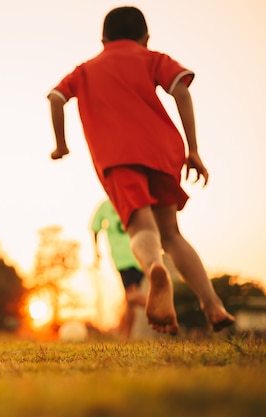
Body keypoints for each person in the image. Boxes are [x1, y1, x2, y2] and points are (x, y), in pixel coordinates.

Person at [47, 6, 235, 335]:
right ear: (145, 38)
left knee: (141, 228)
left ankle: (154, 269)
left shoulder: (86, 70)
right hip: (164, 152)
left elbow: (56, 97)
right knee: (172, 234)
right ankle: (213, 304)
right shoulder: (152, 58)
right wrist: (193, 150)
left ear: (103, 39)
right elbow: (180, 88)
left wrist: (61, 144)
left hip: (119, 158)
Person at [91, 199, 147, 339]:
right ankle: (126, 336)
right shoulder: (106, 206)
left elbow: (94, 228)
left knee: (131, 296)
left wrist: (96, 252)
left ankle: (156, 305)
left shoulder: (123, 201)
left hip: (127, 258)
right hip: (140, 256)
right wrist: (97, 251)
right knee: (130, 300)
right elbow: (95, 227)